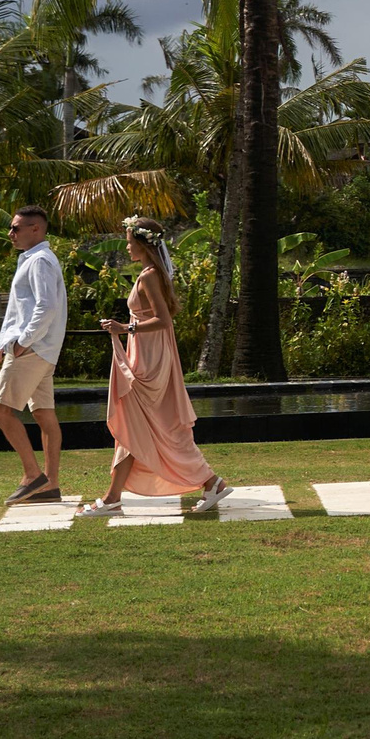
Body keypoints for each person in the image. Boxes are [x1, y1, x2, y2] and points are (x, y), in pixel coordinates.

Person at [80, 217, 231, 519]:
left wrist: (125, 328)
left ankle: (115, 498)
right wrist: (127, 329)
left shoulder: (150, 276)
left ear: (143, 244)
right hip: (149, 353)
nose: (126, 246)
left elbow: (164, 319)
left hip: (149, 359)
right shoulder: (153, 274)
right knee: (141, 425)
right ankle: (115, 497)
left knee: (143, 424)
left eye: (129, 241)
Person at [0, 206, 68, 505]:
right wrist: (1, 345)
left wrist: (22, 343)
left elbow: (46, 308)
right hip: (40, 349)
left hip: (33, 350)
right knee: (43, 414)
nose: (10, 233)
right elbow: (17, 312)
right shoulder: (33, 259)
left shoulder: (40, 261)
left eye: (16, 228)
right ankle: (51, 484)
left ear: (36, 229)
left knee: (0, 412)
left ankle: (34, 476)